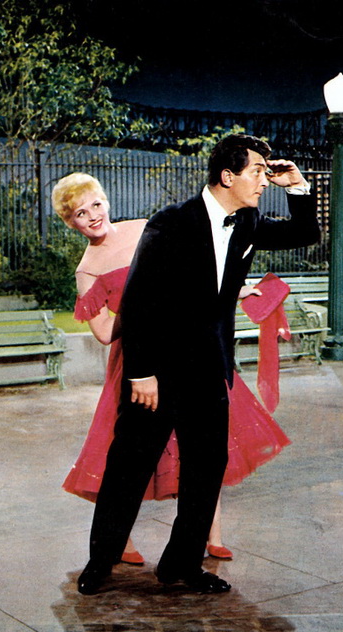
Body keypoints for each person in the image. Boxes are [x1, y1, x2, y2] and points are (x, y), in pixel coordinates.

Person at [76, 134, 320, 595]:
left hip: (209, 370)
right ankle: (100, 563)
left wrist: (297, 187)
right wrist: (140, 373)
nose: (262, 181)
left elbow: (305, 234)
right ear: (227, 176)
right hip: (157, 373)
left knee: (206, 470)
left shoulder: (247, 220)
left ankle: (182, 565)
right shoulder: (170, 223)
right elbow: (138, 301)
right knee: (129, 467)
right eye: (256, 172)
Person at [53, 170, 291, 567]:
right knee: (128, 458)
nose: (92, 216)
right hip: (138, 361)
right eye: (80, 213)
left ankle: (210, 537)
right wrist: (140, 299)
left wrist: (235, 288)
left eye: (95, 204)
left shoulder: (146, 227)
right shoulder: (87, 269)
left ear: (106, 201)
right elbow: (105, 333)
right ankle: (114, 548)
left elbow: (200, 270)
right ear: (70, 222)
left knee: (205, 450)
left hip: (189, 347)